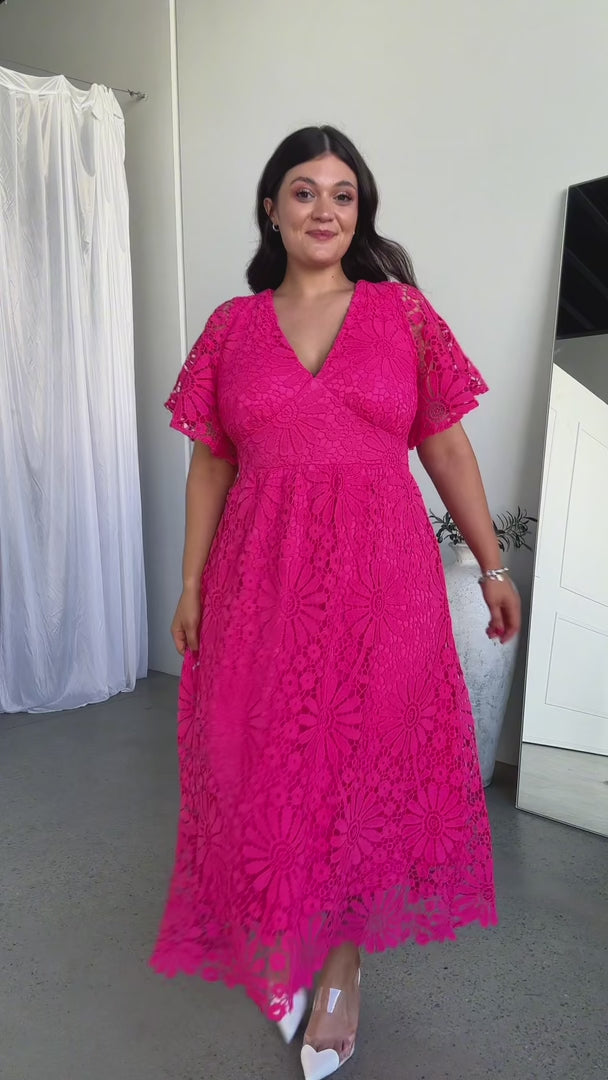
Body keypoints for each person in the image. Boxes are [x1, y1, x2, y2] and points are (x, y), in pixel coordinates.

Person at [150, 125, 521, 1080]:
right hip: (259, 578)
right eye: (305, 191)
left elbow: (446, 445)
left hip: (381, 578)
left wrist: (491, 566)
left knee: (362, 765)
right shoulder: (231, 327)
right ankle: (288, 928)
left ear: (362, 212)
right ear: (271, 208)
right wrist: (189, 585)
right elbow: (210, 464)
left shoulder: (402, 314)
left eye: (344, 194)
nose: (325, 210)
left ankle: (343, 965)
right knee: (268, 756)